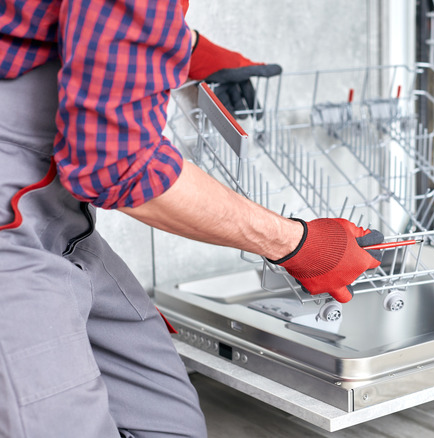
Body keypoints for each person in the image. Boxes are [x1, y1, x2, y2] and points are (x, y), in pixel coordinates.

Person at [0, 1, 381, 437]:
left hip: (54, 211)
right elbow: (117, 165)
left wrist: (187, 49)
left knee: (169, 424)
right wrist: (296, 244)